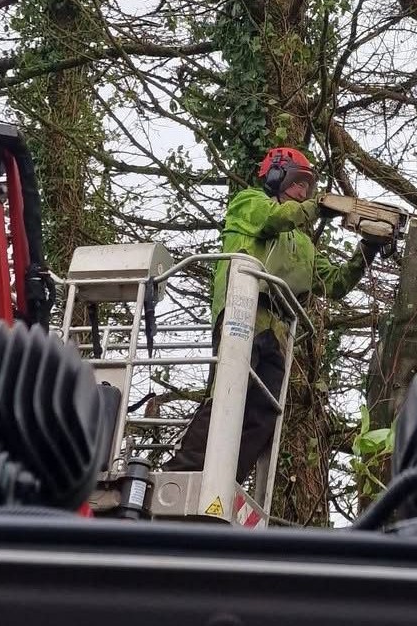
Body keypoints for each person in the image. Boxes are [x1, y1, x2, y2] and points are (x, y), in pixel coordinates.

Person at [165, 146, 387, 482]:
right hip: (244, 310)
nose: (303, 191)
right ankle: (183, 472)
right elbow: (272, 219)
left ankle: (225, 480)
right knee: (229, 389)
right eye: (298, 182)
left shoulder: (304, 244)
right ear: (276, 175)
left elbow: (335, 284)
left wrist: (367, 250)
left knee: (264, 411)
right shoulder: (248, 202)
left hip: (279, 329)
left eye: (309, 187)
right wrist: (319, 207)